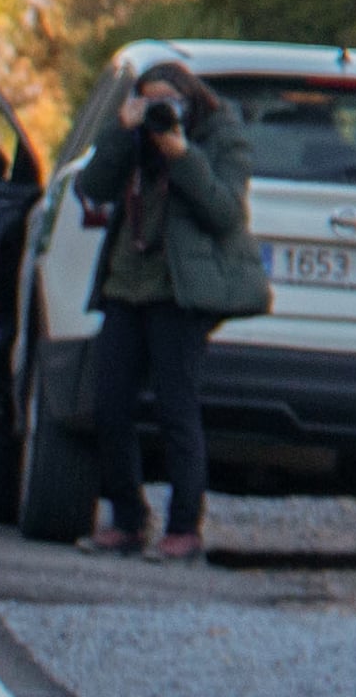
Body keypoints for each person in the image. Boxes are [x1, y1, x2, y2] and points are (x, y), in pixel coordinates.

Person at [69, 58, 261, 561]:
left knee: (177, 409)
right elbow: (93, 187)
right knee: (110, 405)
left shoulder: (221, 138)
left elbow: (225, 214)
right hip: (126, 286)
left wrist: (181, 154)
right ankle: (128, 519)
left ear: (190, 101)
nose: (160, 113)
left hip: (180, 291)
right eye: (150, 102)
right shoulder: (131, 139)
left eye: (169, 104)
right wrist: (119, 133)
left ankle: (184, 528)